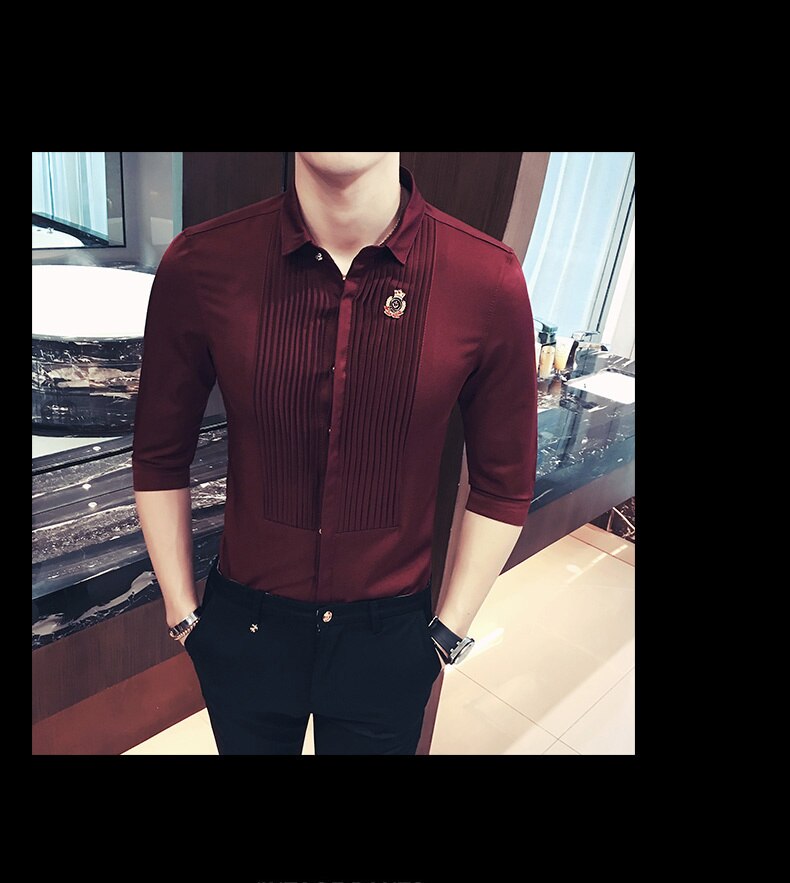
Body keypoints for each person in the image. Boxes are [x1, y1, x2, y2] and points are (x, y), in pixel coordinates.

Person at [132, 152, 538, 755]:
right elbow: (160, 454)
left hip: (388, 640)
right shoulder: (203, 262)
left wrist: (446, 635)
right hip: (244, 629)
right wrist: (184, 616)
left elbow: (504, 482)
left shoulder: (485, 276)